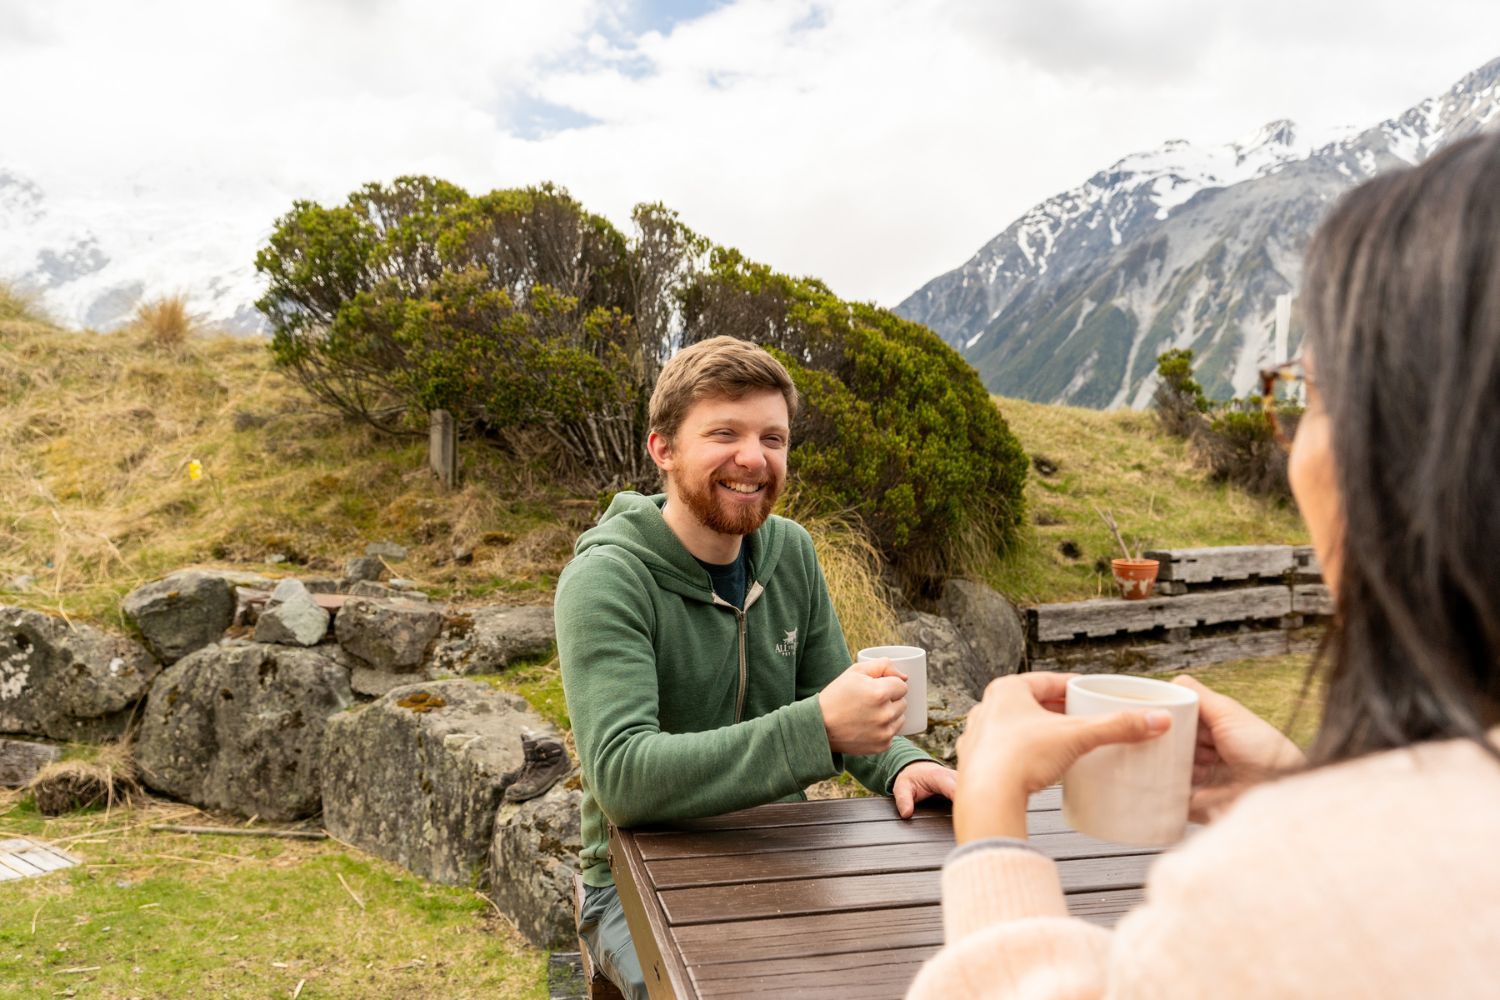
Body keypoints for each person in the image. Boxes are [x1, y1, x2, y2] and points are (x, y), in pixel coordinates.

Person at [909, 131, 1500, 998]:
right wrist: (1293, 785)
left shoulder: (1281, 891)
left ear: (1412, 447)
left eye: (1312, 392)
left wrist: (991, 818)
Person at [555, 335, 957, 999]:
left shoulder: (789, 552)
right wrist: (819, 731)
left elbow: (835, 697)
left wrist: (903, 763)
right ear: (663, 449)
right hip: (634, 882)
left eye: (773, 438)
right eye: (724, 433)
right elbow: (623, 778)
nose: (754, 458)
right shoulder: (606, 580)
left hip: (782, 851)